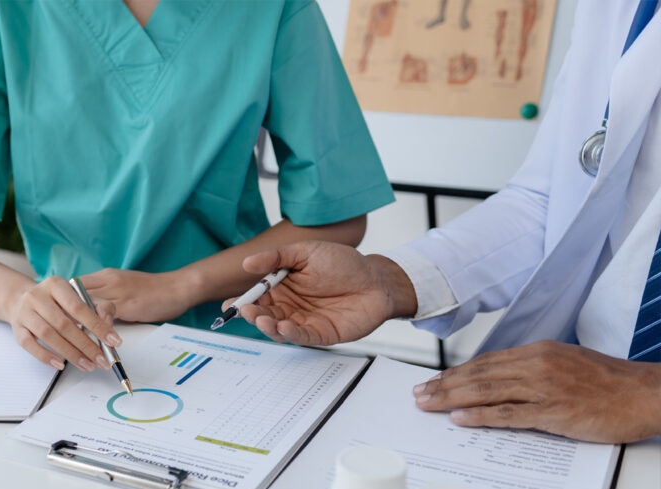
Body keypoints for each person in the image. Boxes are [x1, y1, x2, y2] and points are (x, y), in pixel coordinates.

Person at [0, 0, 394, 374]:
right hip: (72, 342)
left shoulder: (272, 8)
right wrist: (18, 302)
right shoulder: (3, 10)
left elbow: (336, 216)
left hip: (237, 333)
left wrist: (177, 288)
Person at [234, 0, 661, 445]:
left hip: (610, 400)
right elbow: (551, 202)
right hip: (580, 404)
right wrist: (389, 280)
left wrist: (648, 392)